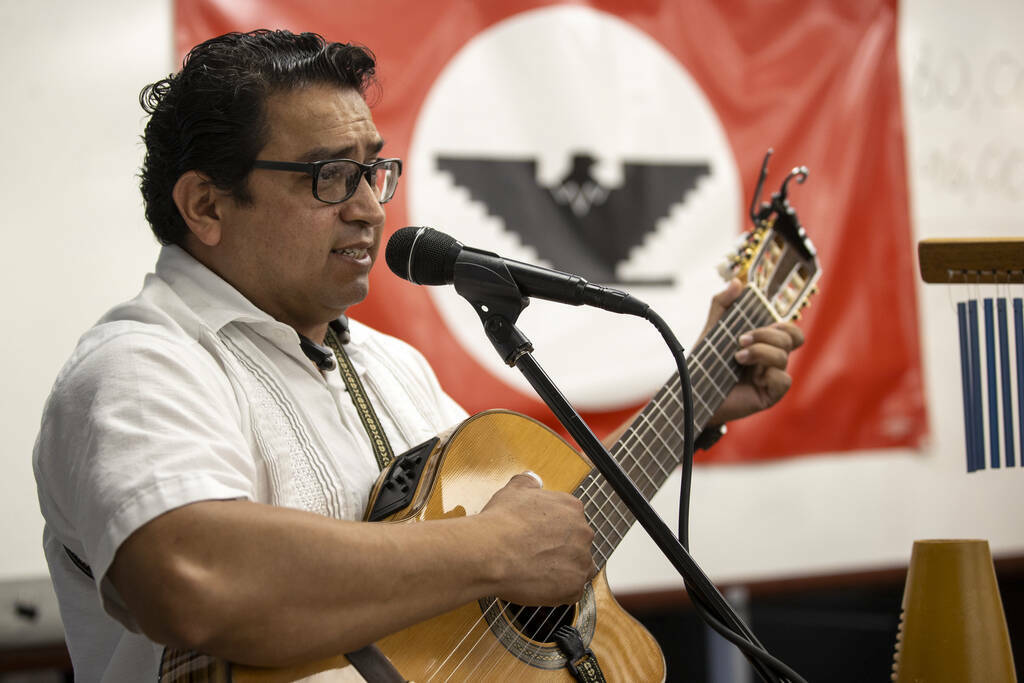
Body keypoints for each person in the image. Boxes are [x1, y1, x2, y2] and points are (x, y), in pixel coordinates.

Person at [33, 29, 804, 681]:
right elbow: (191, 577)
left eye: (373, 169)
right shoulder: (138, 366)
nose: (371, 206)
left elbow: (548, 543)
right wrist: (493, 546)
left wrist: (692, 401)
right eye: (329, 176)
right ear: (206, 205)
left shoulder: (390, 364)